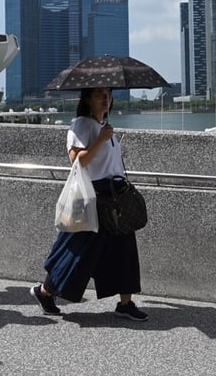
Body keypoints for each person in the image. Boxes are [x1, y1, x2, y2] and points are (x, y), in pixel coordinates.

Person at [31, 87, 148, 321]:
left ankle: (126, 303)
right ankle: (45, 292)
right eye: (99, 95)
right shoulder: (81, 125)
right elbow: (77, 161)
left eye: (109, 95)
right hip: (92, 197)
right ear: (87, 99)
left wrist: (106, 136)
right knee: (76, 250)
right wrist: (100, 139)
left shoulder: (105, 126)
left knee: (125, 250)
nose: (106, 99)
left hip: (115, 196)